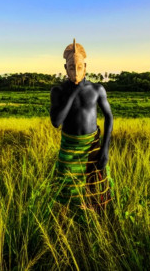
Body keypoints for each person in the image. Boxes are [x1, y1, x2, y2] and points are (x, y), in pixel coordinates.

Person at [50, 39, 114, 212]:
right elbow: (56, 122)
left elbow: (109, 117)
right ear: (65, 69)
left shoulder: (97, 89)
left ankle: (95, 220)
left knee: (96, 185)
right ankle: (69, 220)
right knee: (66, 188)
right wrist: (73, 93)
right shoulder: (58, 91)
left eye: (79, 67)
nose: (76, 72)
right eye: (72, 68)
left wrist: (105, 149)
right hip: (69, 147)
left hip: (92, 146)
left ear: (85, 67)